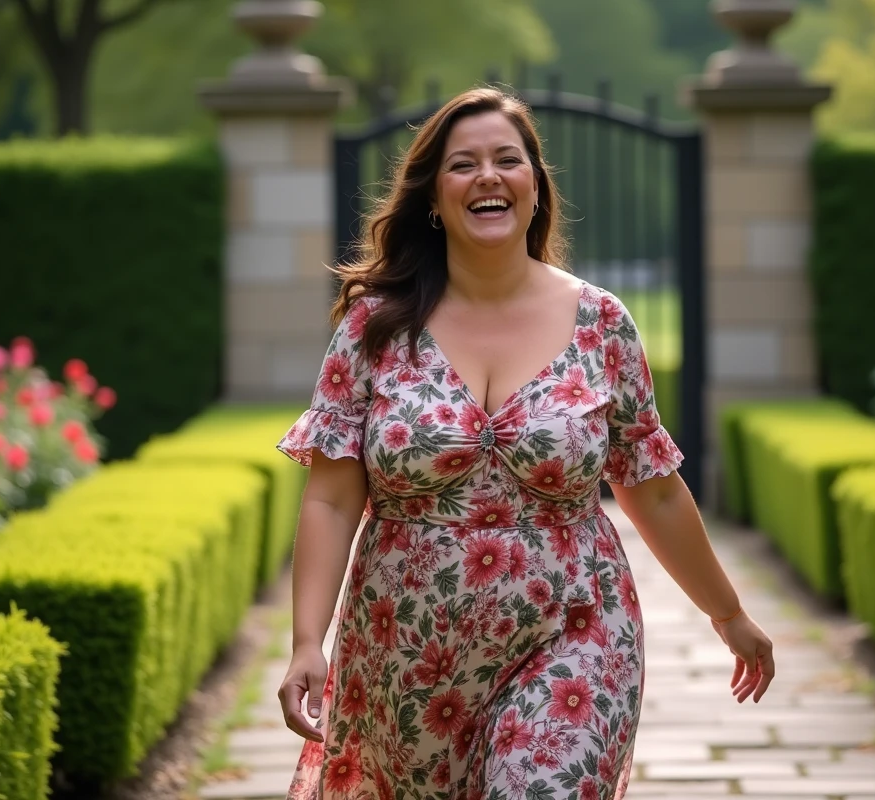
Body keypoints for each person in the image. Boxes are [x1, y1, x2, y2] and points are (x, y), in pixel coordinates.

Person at [275, 86, 774, 800]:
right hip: (407, 654)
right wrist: (304, 642)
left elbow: (654, 489)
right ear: (432, 198)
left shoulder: (602, 324)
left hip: (574, 632)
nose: (487, 176)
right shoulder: (373, 330)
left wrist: (728, 614)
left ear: (536, 190)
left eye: (508, 160)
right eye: (463, 165)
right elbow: (328, 498)